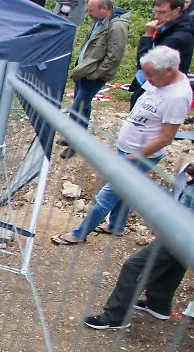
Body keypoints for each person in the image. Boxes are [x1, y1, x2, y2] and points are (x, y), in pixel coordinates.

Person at [53, 46, 192, 246]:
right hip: (128, 148)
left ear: (168, 70)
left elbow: (166, 138)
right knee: (124, 190)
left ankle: (78, 234)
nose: (146, 79)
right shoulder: (160, 80)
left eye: (150, 74)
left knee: (107, 195)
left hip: (140, 155)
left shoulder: (178, 96)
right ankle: (116, 226)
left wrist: (135, 156)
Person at [83, 160, 194, 329]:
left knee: (134, 267)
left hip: (181, 234)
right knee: (175, 264)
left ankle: (115, 316)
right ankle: (158, 305)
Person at [60, 0, 131, 159]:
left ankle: (75, 143)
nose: (88, 14)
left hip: (93, 75)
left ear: (104, 8)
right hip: (85, 72)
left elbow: (114, 57)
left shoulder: (117, 26)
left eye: (91, 11)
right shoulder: (100, 21)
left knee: (78, 107)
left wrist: (95, 74)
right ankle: (77, 138)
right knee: (83, 107)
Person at [128, 0, 194, 109]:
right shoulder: (168, 26)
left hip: (160, 91)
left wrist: (147, 35)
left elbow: (144, 63)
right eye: (156, 12)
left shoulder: (178, 37)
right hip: (151, 85)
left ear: (177, 10)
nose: (157, 16)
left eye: (162, 12)